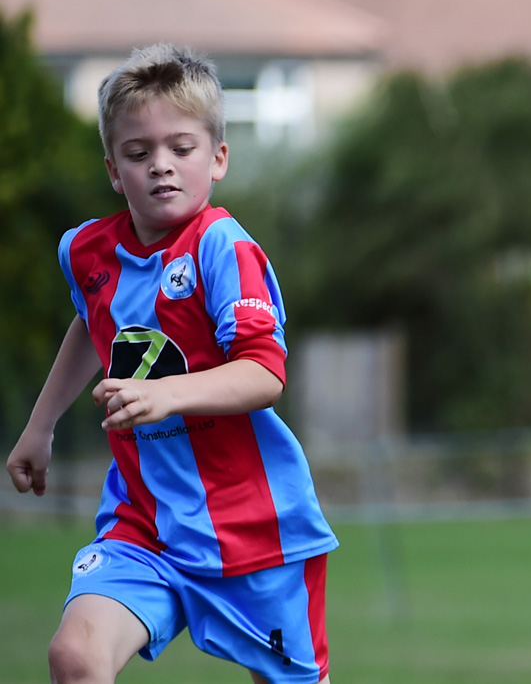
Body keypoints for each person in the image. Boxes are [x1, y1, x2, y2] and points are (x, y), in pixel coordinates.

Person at [5, 43, 339, 684]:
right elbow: (90, 323)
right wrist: (40, 426)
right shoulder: (86, 251)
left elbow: (264, 374)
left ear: (217, 158)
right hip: (145, 524)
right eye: (139, 153)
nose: (161, 166)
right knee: (74, 656)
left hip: (255, 531)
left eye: (180, 149)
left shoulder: (223, 248)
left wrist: (169, 394)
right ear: (113, 168)